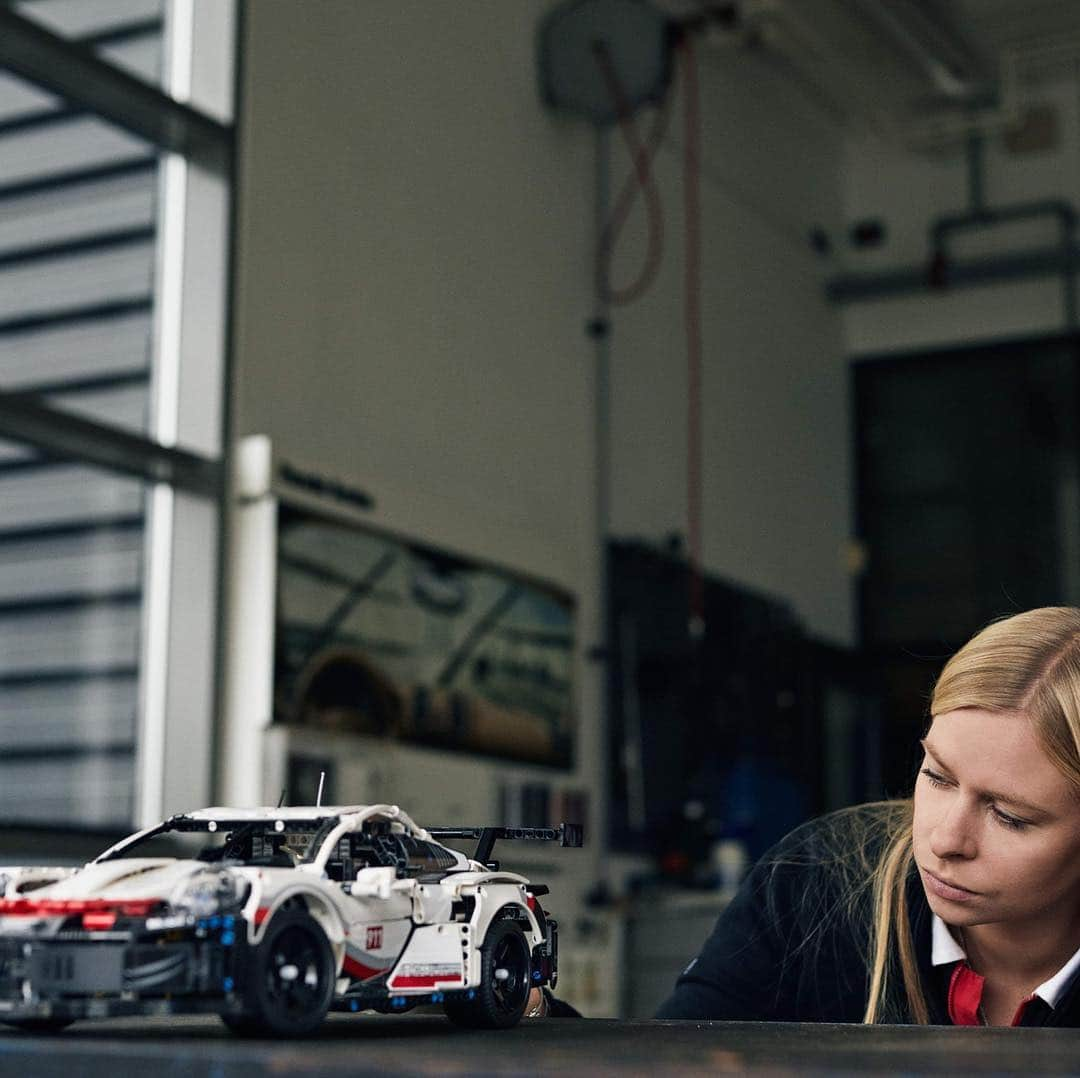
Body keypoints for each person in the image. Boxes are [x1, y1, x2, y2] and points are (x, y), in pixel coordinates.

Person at [647, 606, 1080, 1025]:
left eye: (1009, 817)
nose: (946, 840)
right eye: (937, 776)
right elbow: (673, 1056)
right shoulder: (814, 882)